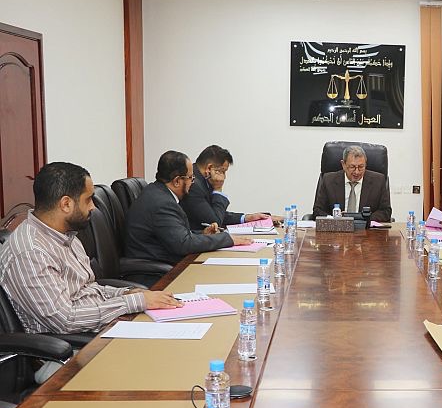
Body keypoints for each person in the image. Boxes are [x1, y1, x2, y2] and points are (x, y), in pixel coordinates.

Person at [0, 162, 181, 382]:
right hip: (65, 353)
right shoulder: (31, 252)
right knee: (156, 368)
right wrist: (134, 302)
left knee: (169, 348)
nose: (93, 207)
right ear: (66, 204)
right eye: (88, 199)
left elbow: (89, 288)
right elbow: (65, 320)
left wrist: (127, 293)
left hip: (95, 332)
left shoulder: (66, 236)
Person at [125, 151, 252, 275]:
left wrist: (203, 234)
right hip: (153, 272)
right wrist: (227, 239)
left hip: (164, 261)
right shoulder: (162, 203)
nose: (192, 182)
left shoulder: (158, 193)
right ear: (177, 181)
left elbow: (177, 235)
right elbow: (184, 244)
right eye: (191, 178)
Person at [180, 144, 282, 230]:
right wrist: (218, 189)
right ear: (209, 168)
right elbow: (215, 222)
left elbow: (214, 213)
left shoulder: (202, 179)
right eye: (223, 171)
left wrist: (248, 218)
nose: (224, 177)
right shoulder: (193, 185)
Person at [311, 145, 392, 221]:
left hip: (365, 228)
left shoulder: (378, 181)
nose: (357, 172)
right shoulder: (328, 180)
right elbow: (318, 210)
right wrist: (335, 218)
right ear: (343, 164)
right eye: (352, 167)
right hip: (337, 228)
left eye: (361, 167)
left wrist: (364, 218)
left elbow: (386, 211)